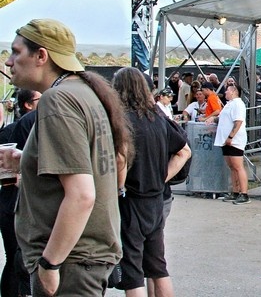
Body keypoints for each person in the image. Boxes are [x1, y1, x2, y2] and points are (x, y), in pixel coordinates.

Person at [1, 19, 132, 296]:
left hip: (70, 264)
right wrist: (27, 160)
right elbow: (90, 165)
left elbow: (82, 195)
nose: (9, 61)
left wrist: (49, 264)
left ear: (41, 56)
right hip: (82, 259)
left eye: (16, 52)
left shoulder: (57, 99)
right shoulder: (84, 92)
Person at [112, 67, 190, 297]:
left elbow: (120, 157)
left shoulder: (122, 120)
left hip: (132, 200)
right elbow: (184, 151)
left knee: (133, 271)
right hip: (156, 199)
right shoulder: (158, 117)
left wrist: (119, 188)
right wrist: (161, 176)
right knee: (158, 266)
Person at [0, 89, 40, 297]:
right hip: (16, 205)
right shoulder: (32, 125)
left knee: (15, 261)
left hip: (11, 204)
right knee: (19, 262)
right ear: (28, 104)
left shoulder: (15, 129)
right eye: (39, 98)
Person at [210, 83, 249, 204]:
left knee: (238, 166)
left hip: (234, 140)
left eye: (227, 90)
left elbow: (238, 122)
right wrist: (212, 119)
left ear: (233, 91)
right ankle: (235, 191)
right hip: (225, 140)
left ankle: (244, 193)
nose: (225, 92)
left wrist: (231, 136)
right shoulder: (229, 104)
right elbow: (222, 118)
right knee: (232, 167)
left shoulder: (238, 104)